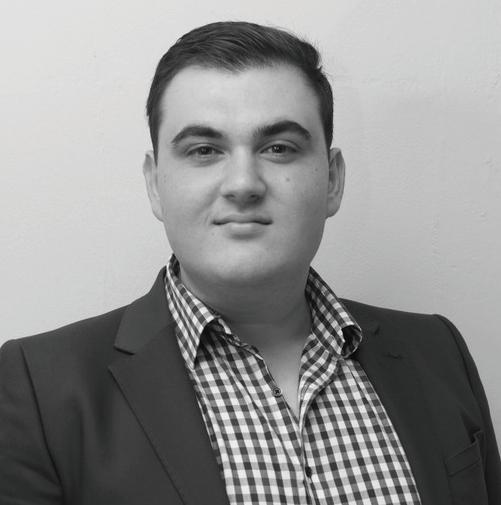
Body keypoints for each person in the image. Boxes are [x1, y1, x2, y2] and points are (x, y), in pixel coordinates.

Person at [0, 21, 500, 505]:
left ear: (332, 180)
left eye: (279, 148)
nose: (243, 184)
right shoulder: (38, 387)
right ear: (154, 184)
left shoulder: (439, 352)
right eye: (204, 150)